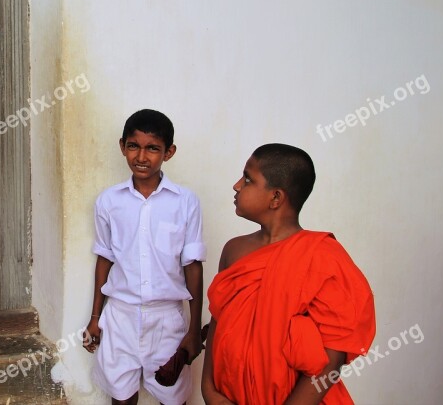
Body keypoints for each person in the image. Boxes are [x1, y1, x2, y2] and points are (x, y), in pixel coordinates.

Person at [201, 144, 376, 405]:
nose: (237, 185)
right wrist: (209, 391)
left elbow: (333, 359)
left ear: (276, 198)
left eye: (248, 179)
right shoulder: (234, 250)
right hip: (230, 396)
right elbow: (219, 321)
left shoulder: (322, 257)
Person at [83, 109, 206, 405]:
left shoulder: (185, 201)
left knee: (173, 397)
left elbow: (193, 265)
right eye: (133, 146)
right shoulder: (109, 201)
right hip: (120, 315)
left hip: (167, 319)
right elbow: (105, 258)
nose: (141, 156)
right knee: (122, 397)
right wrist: (95, 318)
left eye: (153, 148)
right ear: (122, 146)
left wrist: (193, 329)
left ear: (169, 152)